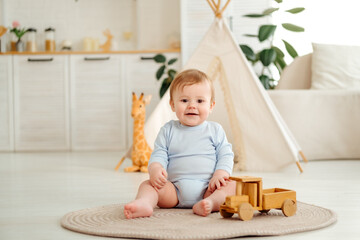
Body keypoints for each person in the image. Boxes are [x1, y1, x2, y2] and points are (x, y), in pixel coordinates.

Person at [124, 69, 236, 219]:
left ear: (211, 106)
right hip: (174, 191)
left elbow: (225, 154)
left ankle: (211, 202)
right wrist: (156, 169)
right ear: (172, 105)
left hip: (208, 188)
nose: (192, 106)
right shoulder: (168, 130)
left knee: (232, 186)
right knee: (147, 185)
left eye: (200, 101)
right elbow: (159, 153)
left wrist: (220, 174)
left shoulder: (215, 130)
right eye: (184, 100)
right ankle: (144, 203)